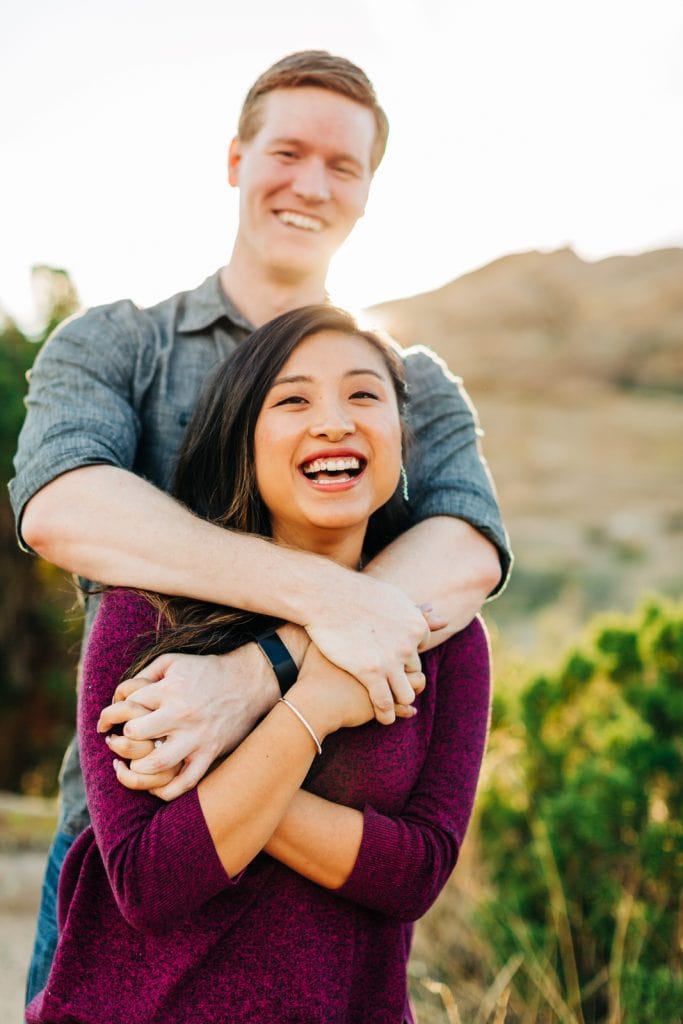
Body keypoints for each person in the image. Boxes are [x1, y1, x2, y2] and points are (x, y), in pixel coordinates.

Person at [10, 50, 511, 1005]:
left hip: (327, 906)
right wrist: (324, 605)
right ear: (236, 158)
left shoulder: (415, 388)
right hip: (136, 837)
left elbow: (465, 550)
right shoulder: (118, 345)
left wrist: (260, 675)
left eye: (344, 165)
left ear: (369, 191)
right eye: (287, 151)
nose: (310, 184)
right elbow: (64, 504)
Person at [26, 306, 492, 1024]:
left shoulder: (445, 635)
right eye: (293, 399)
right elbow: (151, 881)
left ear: (403, 438)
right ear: (242, 439)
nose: (334, 421)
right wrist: (314, 708)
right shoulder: (142, 610)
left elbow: (416, 874)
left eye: (363, 395)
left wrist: (222, 776)